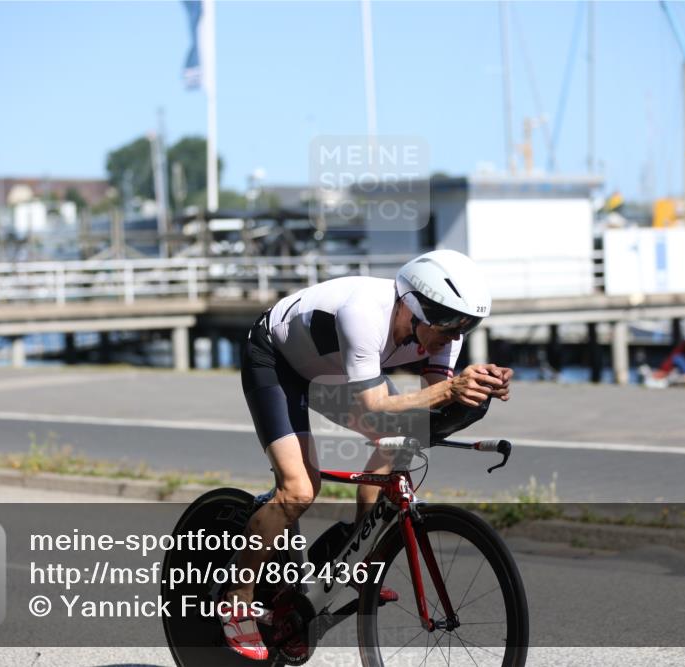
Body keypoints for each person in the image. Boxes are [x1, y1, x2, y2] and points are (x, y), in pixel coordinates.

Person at [218, 249, 513, 660]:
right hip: (277, 361)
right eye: (450, 323)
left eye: (467, 325)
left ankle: (356, 556)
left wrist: (476, 392)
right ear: (414, 308)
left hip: (335, 372)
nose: (456, 335)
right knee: (300, 489)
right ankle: (235, 596)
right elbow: (374, 406)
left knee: (397, 446)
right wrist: (450, 389)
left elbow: (424, 409)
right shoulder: (363, 313)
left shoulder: (446, 335)